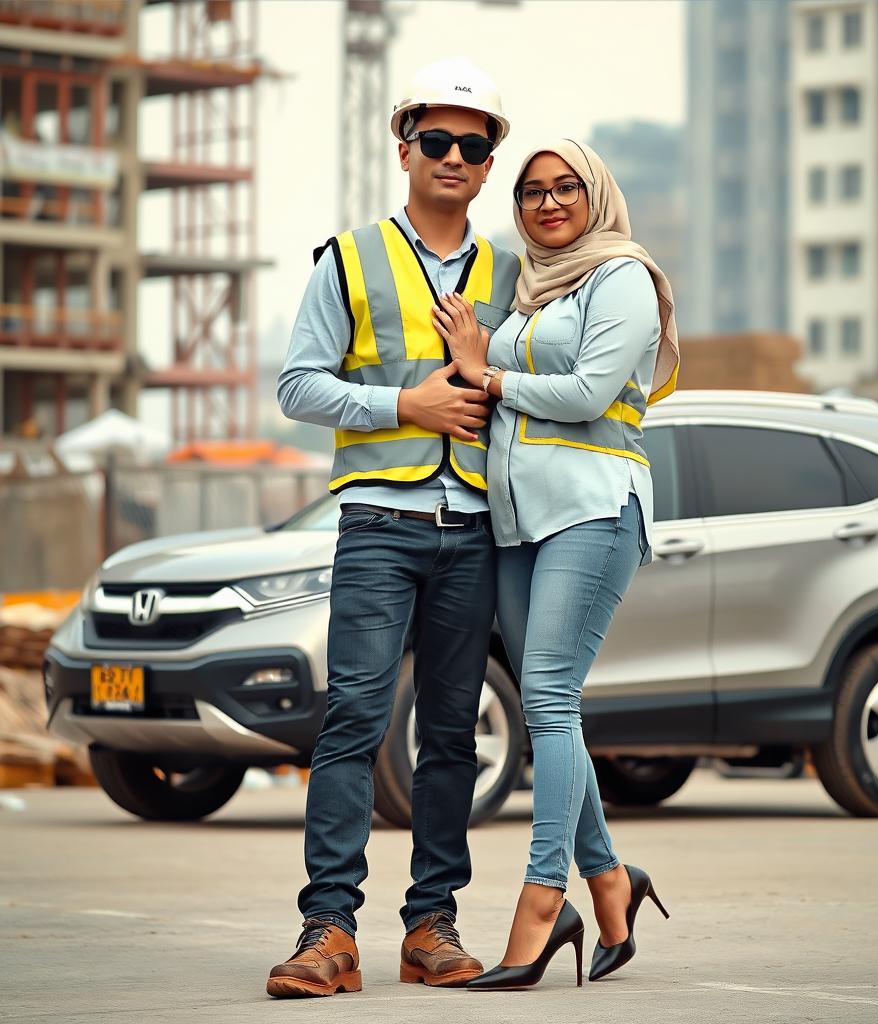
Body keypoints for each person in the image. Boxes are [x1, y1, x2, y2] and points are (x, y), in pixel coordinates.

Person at [266, 58, 521, 998]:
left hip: (479, 529)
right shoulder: (351, 258)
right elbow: (297, 385)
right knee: (355, 721)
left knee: (452, 732)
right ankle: (328, 930)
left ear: (490, 162)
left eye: (474, 143)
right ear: (404, 145)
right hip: (381, 521)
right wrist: (405, 405)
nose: (455, 156)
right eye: (438, 140)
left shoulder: (512, 272)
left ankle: (432, 927)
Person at [432, 139, 680, 990]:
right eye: (532, 191)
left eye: (564, 186)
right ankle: (611, 883)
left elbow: (586, 390)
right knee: (551, 705)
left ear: (595, 191)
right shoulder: (530, 289)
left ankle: (544, 900)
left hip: (594, 509)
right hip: (515, 524)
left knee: (545, 695)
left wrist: (486, 373)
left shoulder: (622, 278)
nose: (547, 203)